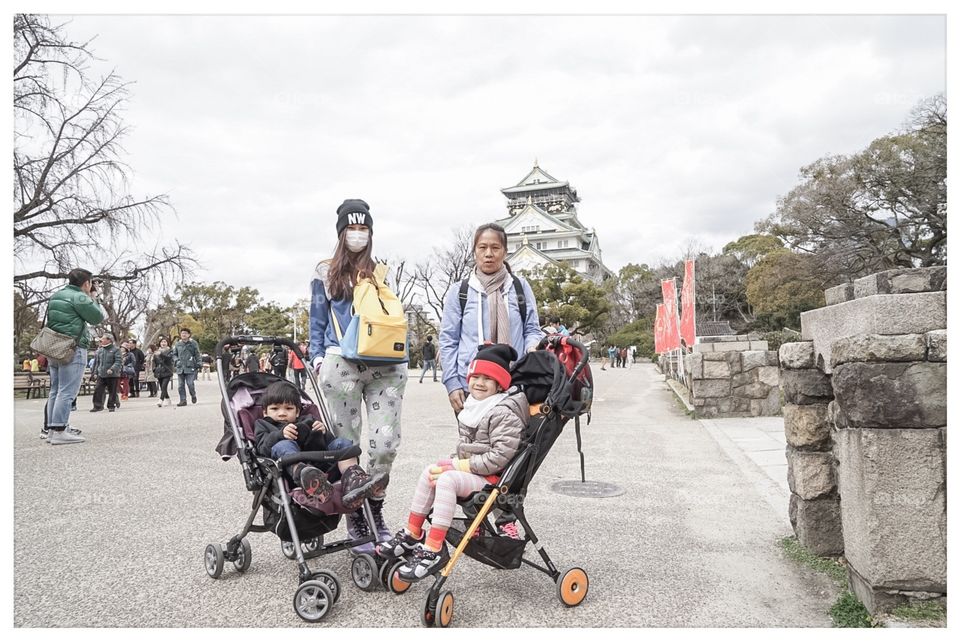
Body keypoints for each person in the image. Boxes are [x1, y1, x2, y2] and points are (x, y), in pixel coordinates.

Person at [377, 345, 527, 581]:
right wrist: (455, 462)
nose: (479, 382)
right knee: (431, 471)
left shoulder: (503, 412)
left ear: (500, 385)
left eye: (488, 378)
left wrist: (459, 466)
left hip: (494, 478)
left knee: (446, 479)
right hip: (477, 470)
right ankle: (413, 532)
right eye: (475, 376)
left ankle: (433, 548)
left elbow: (499, 457)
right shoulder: (476, 406)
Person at [309, 198, 407, 553]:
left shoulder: (380, 271)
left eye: (364, 228)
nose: (358, 234)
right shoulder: (324, 273)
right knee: (345, 444)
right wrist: (318, 358)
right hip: (342, 363)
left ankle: (376, 508)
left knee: (385, 445)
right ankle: (356, 517)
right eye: (352, 228)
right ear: (341, 232)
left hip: (386, 365)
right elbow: (316, 322)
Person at [438, 222, 542, 539]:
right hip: (473, 385)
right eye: (482, 247)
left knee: (515, 454)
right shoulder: (460, 292)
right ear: (474, 251)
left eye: (495, 247)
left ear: (505, 251)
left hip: (513, 386)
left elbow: (532, 329)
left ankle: (506, 515)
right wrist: (452, 383)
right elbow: (448, 340)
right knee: (474, 450)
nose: (488, 253)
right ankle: (477, 514)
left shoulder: (520, 289)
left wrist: (535, 348)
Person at [254, 381, 388, 514]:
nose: (282, 413)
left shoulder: (307, 420)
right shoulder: (263, 425)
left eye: (288, 408)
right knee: (283, 445)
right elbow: (262, 448)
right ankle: (306, 476)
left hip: (321, 466)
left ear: (297, 412)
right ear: (265, 412)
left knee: (342, 443)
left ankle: (353, 480)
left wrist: (324, 432)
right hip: (291, 473)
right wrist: (279, 435)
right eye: (275, 409)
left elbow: (329, 445)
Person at [41, 268, 106, 444]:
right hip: (72, 347)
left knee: (55, 390)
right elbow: (97, 317)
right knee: (67, 391)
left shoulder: (57, 295)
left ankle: (52, 430)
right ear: (87, 283)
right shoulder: (80, 297)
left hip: (54, 346)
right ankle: (60, 430)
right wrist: (94, 296)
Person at [90, 334, 122, 413]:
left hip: (112, 374)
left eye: (103, 339)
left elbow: (118, 361)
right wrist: (95, 373)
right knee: (98, 389)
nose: (101, 340)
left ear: (109, 340)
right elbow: (97, 363)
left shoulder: (116, 350)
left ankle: (111, 405)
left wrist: (112, 369)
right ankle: (97, 406)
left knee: (112, 391)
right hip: (101, 374)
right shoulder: (100, 350)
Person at [172, 328, 201, 406]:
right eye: (182, 333)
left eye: (185, 333)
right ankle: (183, 400)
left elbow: (197, 354)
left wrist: (199, 363)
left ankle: (193, 395)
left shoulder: (193, 343)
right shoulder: (178, 344)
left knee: (190, 383)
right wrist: (176, 360)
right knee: (180, 385)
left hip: (190, 366)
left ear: (189, 334)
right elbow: (174, 354)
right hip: (180, 367)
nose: (183, 335)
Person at [153, 337, 175, 407]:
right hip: (159, 371)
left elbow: (169, 359)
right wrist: (154, 369)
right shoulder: (156, 352)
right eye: (162, 342)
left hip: (167, 371)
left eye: (165, 342)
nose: (163, 343)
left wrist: (161, 354)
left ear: (167, 343)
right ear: (160, 343)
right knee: (162, 387)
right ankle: (168, 399)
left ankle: (161, 400)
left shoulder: (170, 351)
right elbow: (154, 362)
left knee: (164, 386)